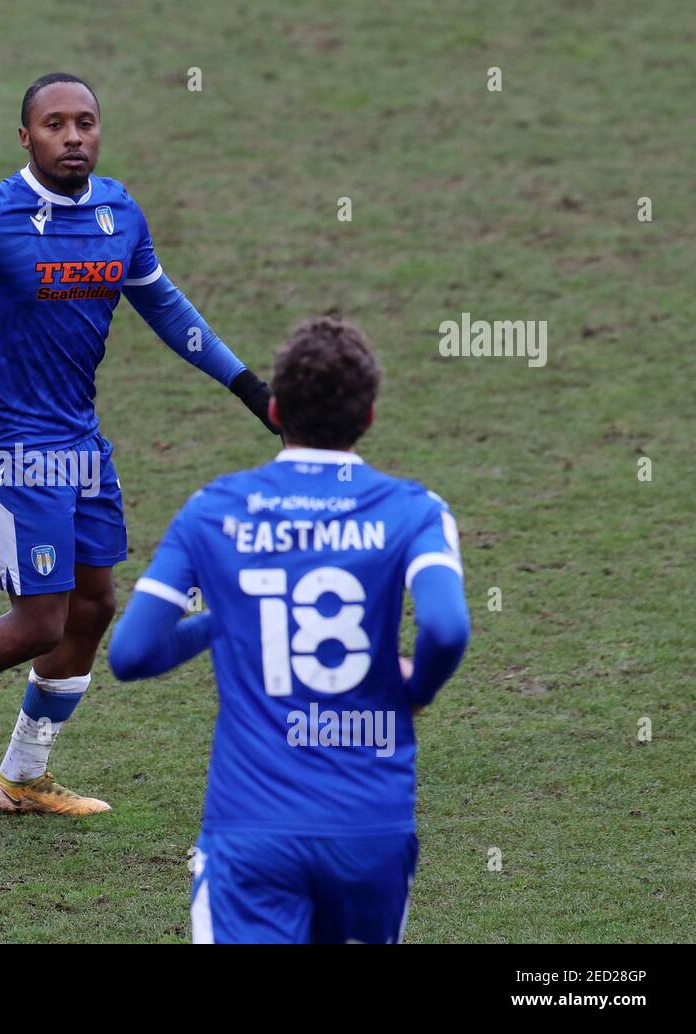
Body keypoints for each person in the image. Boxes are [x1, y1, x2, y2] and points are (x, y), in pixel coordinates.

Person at [0, 73, 278, 817]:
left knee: (93, 603)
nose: (73, 136)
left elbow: (168, 309)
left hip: (78, 438)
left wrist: (253, 391)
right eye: (55, 124)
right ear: (26, 137)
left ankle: (21, 776)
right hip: (10, 443)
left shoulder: (118, 212)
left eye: (86, 122)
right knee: (39, 619)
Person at [108, 316, 470, 943]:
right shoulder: (416, 510)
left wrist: (221, 621)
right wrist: (419, 688)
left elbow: (132, 652)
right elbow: (445, 626)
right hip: (370, 831)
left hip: (252, 833)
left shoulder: (212, 510)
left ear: (275, 409)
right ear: (370, 417)